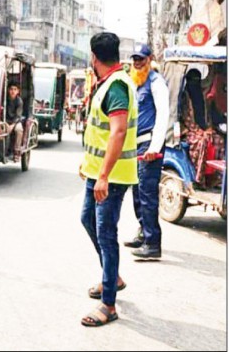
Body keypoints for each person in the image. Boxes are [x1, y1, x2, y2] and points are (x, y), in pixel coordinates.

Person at [78, 32, 138, 327]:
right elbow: (99, 133)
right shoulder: (108, 82)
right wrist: (89, 166)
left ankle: (109, 304)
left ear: (94, 57)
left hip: (111, 176)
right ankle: (111, 277)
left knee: (106, 233)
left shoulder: (116, 86)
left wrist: (102, 176)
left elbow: (118, 132)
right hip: (98, 171)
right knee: (87, 219)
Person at [124, 44, 169, 259]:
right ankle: (144, 232)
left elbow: (163, 116)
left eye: (141, 58)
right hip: (136, 146)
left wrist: (154, 147)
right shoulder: (136, 83)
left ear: (150, 59)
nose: (137, 62)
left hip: (149, 146)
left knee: (148, 195)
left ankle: (152, 244)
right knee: (137, 193)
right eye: (135, 59)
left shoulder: (156, 82)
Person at [5, 81, 24, 162]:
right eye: (11, 89)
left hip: (16, 121)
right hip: (5, 121)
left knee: (19, 130)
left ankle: (16, 152)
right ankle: (5, 150)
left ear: (18, 91)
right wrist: (5, 123)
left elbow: (18, 115)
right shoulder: (4, 100)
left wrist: (12, 125)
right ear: (8, 90)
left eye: (15, 89)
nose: (13, 91)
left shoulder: (19, 101)